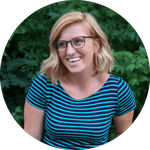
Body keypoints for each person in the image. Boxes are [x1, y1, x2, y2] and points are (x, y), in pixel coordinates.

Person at [24, 11, 136, 150]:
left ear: (96, 45)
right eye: (62, 44)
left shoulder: (118, 90)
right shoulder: (44, 85)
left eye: (78, 41)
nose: (69, 51)